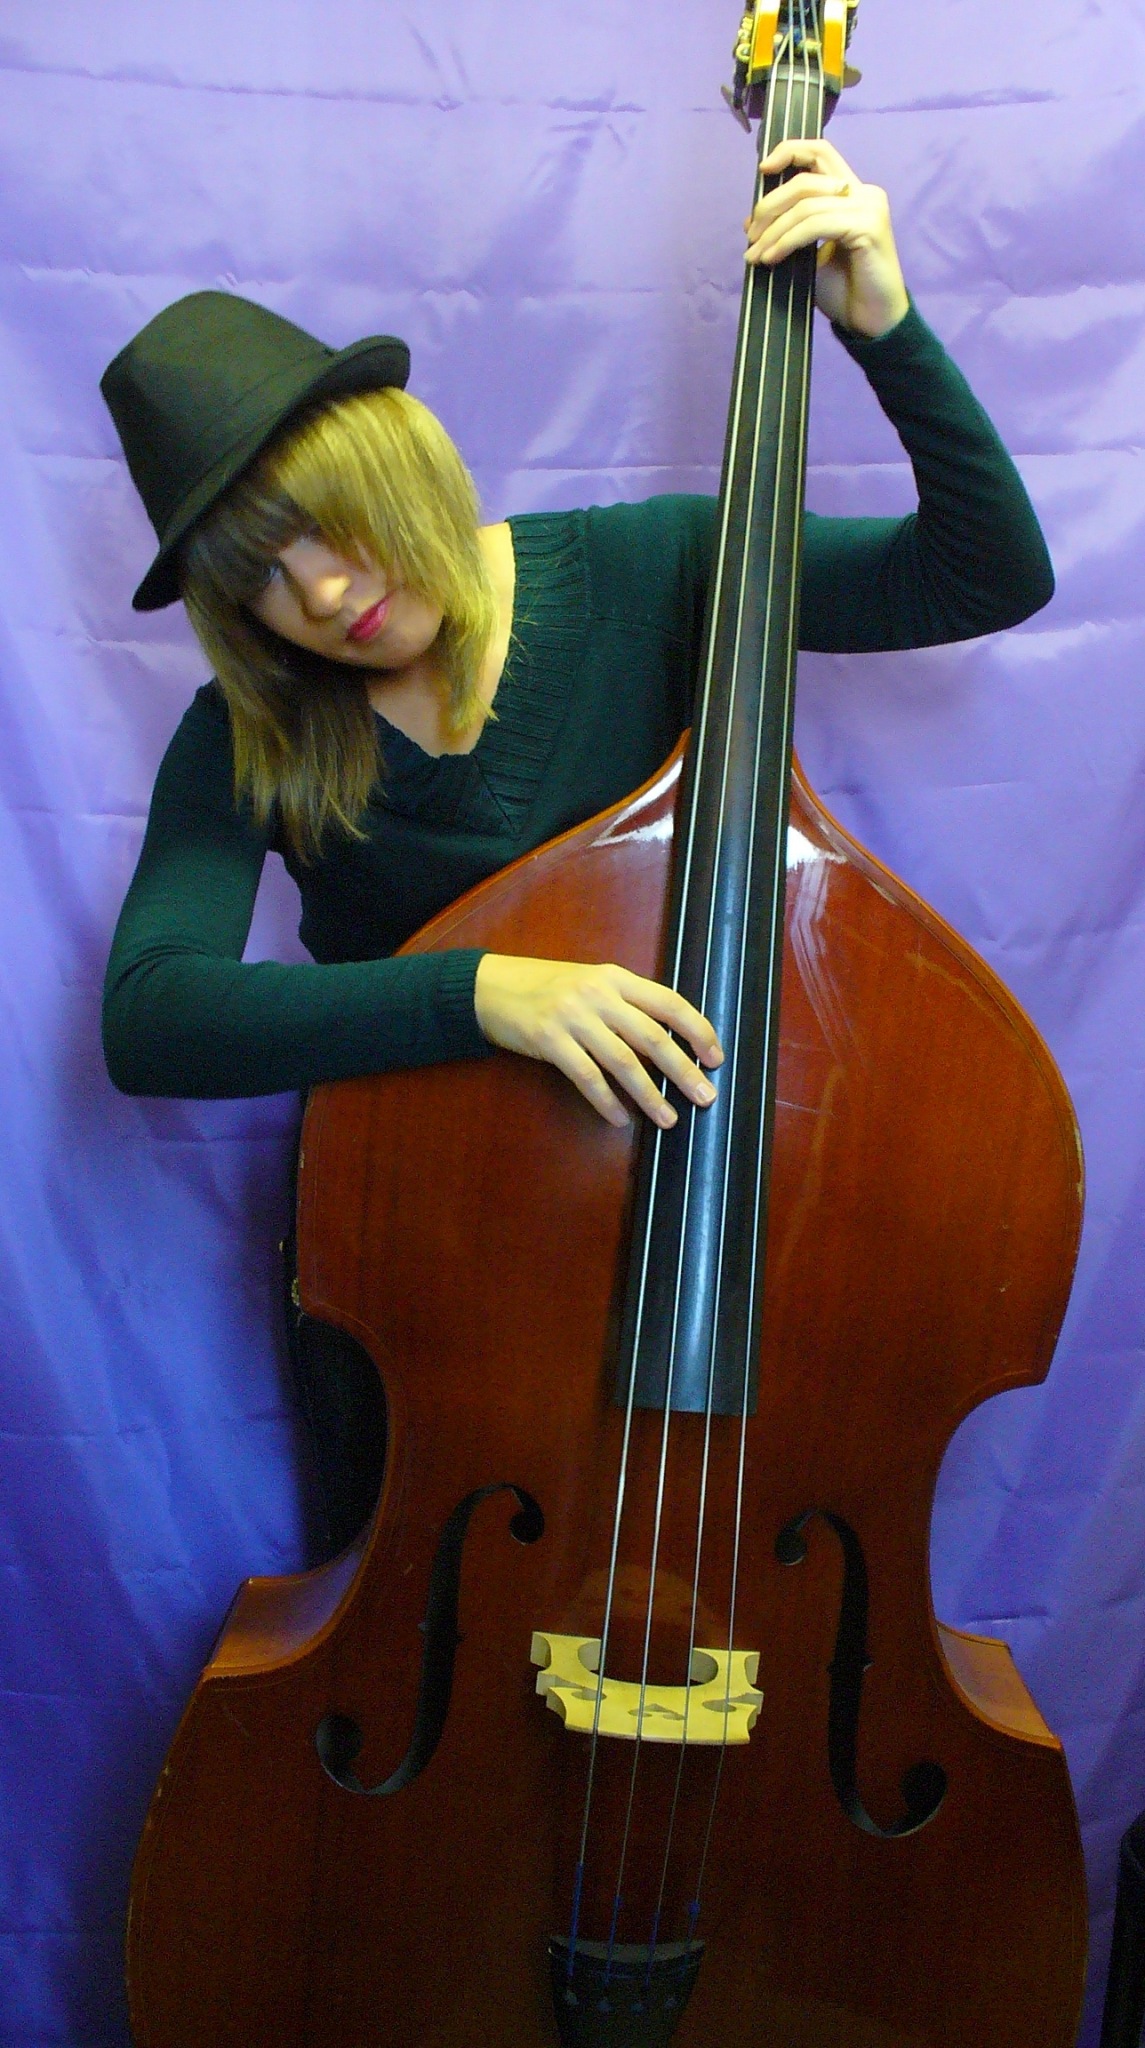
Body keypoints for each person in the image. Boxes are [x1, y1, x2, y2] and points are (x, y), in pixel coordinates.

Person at [100, 140, 1054, 1544]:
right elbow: (151, 1018)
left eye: (325, 526)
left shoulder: (649, 566)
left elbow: (987, 575)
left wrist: (886, 332)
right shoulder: (251, 731)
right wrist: (486, 991)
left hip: (699, 1235)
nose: (323, 593)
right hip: (415, 1266)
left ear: (395, 460)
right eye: (258, 577)